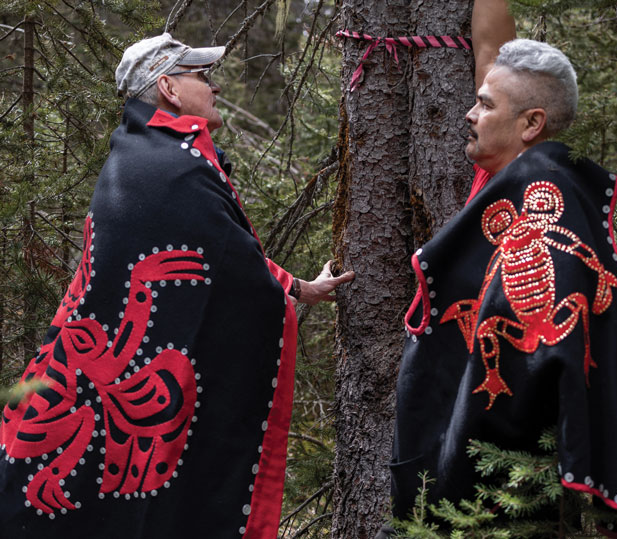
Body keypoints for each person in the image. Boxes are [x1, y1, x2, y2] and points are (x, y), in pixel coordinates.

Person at [0, 33, 353, 539]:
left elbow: (222, 251)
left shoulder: (144, 153)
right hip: (115, 379)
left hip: (96, 375)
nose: (212, 87)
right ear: (167, 86)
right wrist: (291, 290)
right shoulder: (169, 167)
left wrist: (296, 287)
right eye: (200, 77)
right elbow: (232, 262)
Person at [386, 1, 617, 538]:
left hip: (500, 490)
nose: (469, 112)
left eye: (484, 104)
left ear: (531, 124)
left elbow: (543, 345)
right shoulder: (506, 185)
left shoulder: (544, 197)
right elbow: (489, 50)